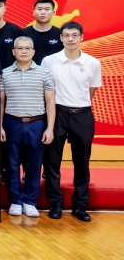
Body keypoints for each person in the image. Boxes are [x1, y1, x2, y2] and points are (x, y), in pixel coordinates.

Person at [41, 22, 102, 222]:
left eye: (74, 35)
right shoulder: (49, 61)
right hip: (57, 113)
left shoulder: (92, 63)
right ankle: (55, 204)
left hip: (82, 115)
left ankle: (80, 206)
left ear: (81, 37)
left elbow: (91, 91)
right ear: (60, 38)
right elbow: (45, 90)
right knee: (52, 162)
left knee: (82, 162)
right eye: (66, 35)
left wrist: (78, 105)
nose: (70, 39)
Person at [0, 36, 56, 218]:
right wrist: (0, 126)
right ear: (13, 51)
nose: (23, 51)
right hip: (12, 123)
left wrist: (50, 128)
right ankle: (16, 200)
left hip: (37, 124)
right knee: (12, 164)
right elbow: (1, 103)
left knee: (34, 164)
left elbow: (50, 102)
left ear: (33, 51)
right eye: (20, 48)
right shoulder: (5, 73)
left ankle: (30, 201)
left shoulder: (44, 73)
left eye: (27, 48)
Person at [23, 0, 63, 65]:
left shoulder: (60, 34)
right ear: (34, 12)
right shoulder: (23, 33)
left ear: (53, 13)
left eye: (47, 9)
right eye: (39, 9)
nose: (43, 12)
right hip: (30, 71)